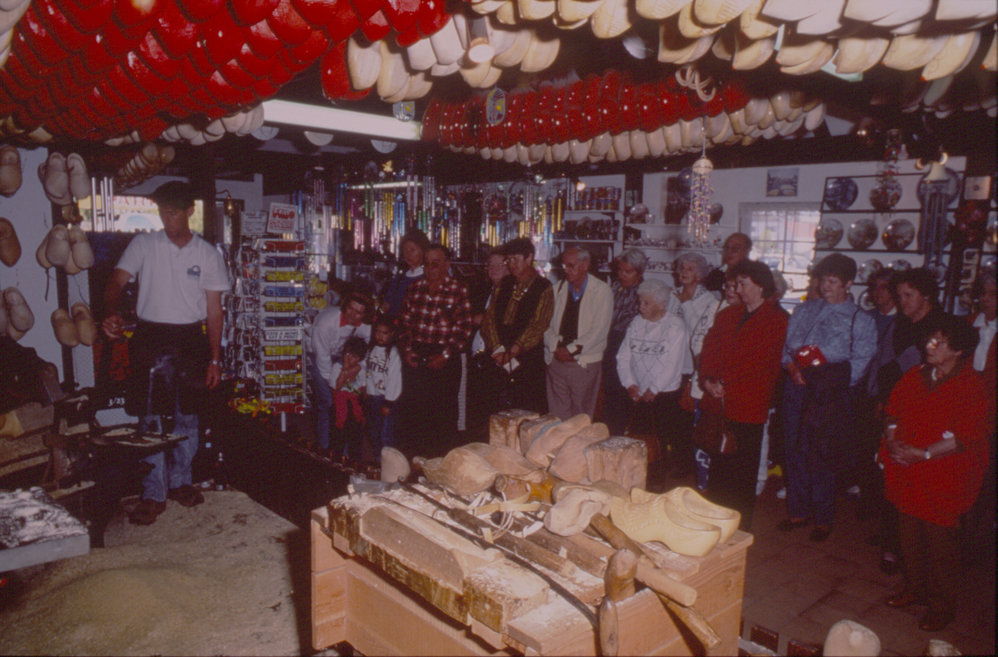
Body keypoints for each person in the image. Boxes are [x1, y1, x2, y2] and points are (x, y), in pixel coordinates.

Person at [100, 181, 229, 526]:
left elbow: (214, 311)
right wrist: (110, 312)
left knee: (188, 417)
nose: (166, 219)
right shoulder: (144, 244)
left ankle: (181, 481)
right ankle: (153, 493)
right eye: (162, 213)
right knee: (150, 419)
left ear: (189, 211)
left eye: (172, 213)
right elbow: (116, 282)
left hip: (190, 339)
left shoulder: (207, 254)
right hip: (150, 338)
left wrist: (215, 359)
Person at [879, 315, 988, 632]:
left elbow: (966, 436)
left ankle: (942, 606)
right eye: (930, 339)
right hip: (907, 472)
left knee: (940, 546)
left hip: (942, 476)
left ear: (959, 350)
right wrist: (892, 440)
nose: (929, 346)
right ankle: (915, 589)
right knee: (909, 537)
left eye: (939, 342)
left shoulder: (972, 386)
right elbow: (892, 412)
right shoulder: (915, 375)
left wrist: (925, 453)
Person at [779, 253, 877, 542]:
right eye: (823, 280)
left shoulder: (860, 319)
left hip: (829, 394)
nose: (825, 287)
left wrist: (828, 385)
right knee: (794, 448)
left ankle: (823, 517)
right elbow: (786, 347)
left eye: (833, 282)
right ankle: (798, 510)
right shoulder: (804, 310)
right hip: (796, 386)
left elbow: (861, 361)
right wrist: (791, 367)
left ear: (848, 283)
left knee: (823, 453)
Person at [698, 261, 788, 530]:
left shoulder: (777, 320)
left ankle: (739, 529)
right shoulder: (727, 315)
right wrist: (708, 380)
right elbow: (709, 348)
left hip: (748, 406)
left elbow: (759, 362)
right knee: (719, 469)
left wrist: (723, 381)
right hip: (719, 402)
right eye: (736, 283)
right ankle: (716, 523)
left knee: (742, 473)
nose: (737, 289)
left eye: (743, 284)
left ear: (761, 286)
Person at [396, 244, 472, 457]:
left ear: (447, 264)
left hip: (446, 356)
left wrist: (445, 355)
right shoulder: (414, 288)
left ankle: (441, 465)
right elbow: (403, 323)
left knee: (443, 417)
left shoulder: (459, 289)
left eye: (435, 264)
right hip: (416, 355)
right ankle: (416, 464)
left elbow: (464, 329)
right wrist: (407, 350)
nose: (430, 268)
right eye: (427, 264)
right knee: (415, 415)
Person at [616, 278, 687, 476]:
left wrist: (654, 389)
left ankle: (658, 478)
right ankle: (638, 476)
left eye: (646, 303)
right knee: (639, 439)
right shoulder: (636, 322)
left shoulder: (675, 326)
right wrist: (629, 383)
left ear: (662, 305)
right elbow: (623, 356)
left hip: (663, 393)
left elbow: (673, 364)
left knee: (661, 439)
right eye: (640, 302)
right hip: (638, 392)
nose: (641, 307)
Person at [481, 237, 554, 414]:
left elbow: (538, 324)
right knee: (497, 411)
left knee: (526, 410)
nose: (511, 264)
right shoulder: (504, 283)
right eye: (509, 260)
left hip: (527, 359)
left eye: (516, 259)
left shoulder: (543, 287)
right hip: (498, 356)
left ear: (529, 258)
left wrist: (514, 350)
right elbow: (489, 318)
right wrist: (497, 349)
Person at [544, 246, 613, 420]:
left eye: (571, 265)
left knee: (581, 417)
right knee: (557, 416)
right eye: (564, 265)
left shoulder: (601, 291)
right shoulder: (557, 289)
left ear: (585, 265)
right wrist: (555, 346)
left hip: (583, 363)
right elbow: (545, 324)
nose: (566, 270)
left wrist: (571, 349)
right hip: (556, 360)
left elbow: (599, 331)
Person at [667, 251, 719, 475]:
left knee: (690, 417)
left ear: (700, 275)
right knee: (675, 417)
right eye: (682, 268)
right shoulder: (674, 295)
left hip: (693, 366)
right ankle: (678, 461)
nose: (684, 272)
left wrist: (686, 304)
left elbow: (700, 331)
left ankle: (691, 465)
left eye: (689, 269)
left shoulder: (710, 300)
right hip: (674, 363)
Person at [309, 292, 371, 452]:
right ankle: (324, 448)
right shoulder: (326, 322)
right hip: (321, 356)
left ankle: (346, 452)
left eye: (359, 312)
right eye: (350, 309)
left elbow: (369, 352)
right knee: (328, 402)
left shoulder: (367, 327)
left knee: (350, 404)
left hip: (349, 358)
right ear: (344, 306)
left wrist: (358, 367)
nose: (353, 315)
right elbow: (322, 358)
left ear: (365, 314)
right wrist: (335, 384)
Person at [877, 267, 945, 397]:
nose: (902, 302)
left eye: (908, 295)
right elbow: (883, 364)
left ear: (926, 294)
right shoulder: (898, 324)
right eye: (899, 296)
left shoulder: (942, 327)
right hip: (893, 396)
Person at [601, 248, 646, 435]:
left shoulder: (644, 293)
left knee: (624, 395)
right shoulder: (615, 287)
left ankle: (620, 436)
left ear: (639, 272)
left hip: (628, 349)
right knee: (610, 394)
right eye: (620, 270)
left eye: (628, 271)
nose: (622, 275)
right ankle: (609, 434)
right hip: (610, 346)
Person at [364, 315, 402, 462]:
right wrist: (366, 389)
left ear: (391, 334)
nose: (380, 336)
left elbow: (394, 379)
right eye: (377, 332)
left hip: (386, 399)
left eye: (384, 333)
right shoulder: (370, 349)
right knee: (373, 430)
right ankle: (378, 458)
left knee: (385, 433)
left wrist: (388, 402)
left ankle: (388, 463)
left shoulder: (393, 353)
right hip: (372, 397)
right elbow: (367, 372)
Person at [328, 336, 367, 462]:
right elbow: (338, 386)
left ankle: (354, 462)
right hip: (340, 406)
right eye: (347, 354)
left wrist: (360, 398)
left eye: (354, 356)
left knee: (355, 437)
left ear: (360, 359)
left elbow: (361, 389)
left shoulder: (360, 370)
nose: (349, 358)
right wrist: (344, 371)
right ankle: (336, 459)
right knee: (338, 436)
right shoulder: (337, 367)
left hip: (354, 405)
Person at [381, 229, 430, 319]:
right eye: (405, 250)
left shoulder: (428, 278)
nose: (408, 254)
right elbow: (387, 306)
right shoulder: (398, 279)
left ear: (423, 251)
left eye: (412, 250)